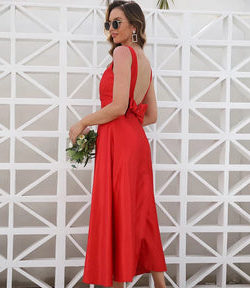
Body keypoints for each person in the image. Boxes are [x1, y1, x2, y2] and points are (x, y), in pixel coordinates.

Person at [68, 1, 167, 287]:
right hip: (134, 142)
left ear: (133, 26)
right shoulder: (144, 61)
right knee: (140, 211)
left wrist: (84, 122)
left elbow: (118, 106)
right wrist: (123, 125)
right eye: (108, 23)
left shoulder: (123, 53)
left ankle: (120, 282)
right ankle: (159, 284)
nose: (111, 29)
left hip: (120, 146)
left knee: (118, 211)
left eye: (117, 22)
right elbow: (150, 115)